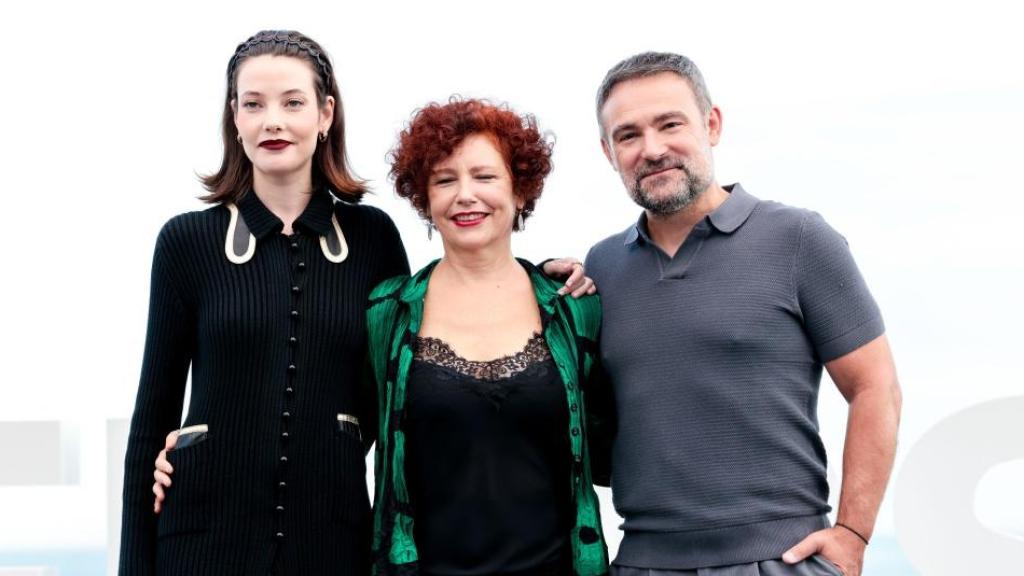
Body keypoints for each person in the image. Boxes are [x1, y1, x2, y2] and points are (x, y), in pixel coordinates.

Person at [133, 31, 591, 576]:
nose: (272, 121)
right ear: (234, 117)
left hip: (333, 544)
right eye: (253, 104)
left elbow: (407, 380)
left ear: (326, 114)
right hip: (202, 544)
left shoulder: (372, 238)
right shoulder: (186, 242)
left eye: (293, 103)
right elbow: (152, 417)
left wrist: (539, 282)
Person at [584, 52, 902, 576]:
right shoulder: (602, 266)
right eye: (628, 135)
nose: (653, 149)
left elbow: (876, 387)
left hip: (781, 559)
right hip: (641, 562)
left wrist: (851, 534)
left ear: (711, 125)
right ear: (608, 151)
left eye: (670, 124)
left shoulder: (799, 239)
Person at [365, 98, 608, 576]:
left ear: (520, 190)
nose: (465, 195)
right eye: (444, 180)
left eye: (484, 176)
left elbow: (624, 444)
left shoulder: (574, 308)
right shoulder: (386, 314)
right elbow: (331, 432)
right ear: (424, 198)